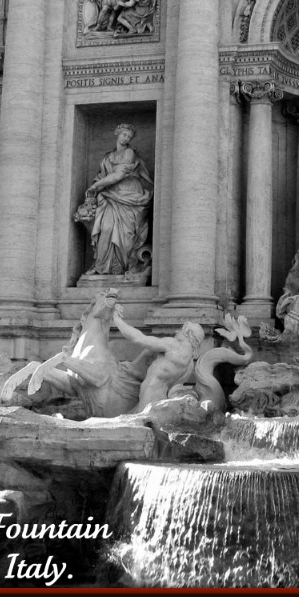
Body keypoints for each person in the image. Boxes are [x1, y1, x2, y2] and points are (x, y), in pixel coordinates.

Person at [83, 123, 154, 276]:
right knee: (106, 229)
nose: (126, 138)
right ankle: (102, 266)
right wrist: (97, 187)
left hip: (129, 195)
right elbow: (102, 176)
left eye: (129, 136)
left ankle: (121, 267)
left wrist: (95, 187)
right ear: (117, 133)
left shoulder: (129, 153)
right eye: (124, 135)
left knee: (126, 234)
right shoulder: (108, 156)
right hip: (110, 196)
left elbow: (118, 175)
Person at [112, 308, 204, 413]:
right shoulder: (189, 364)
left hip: (149, 398)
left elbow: (139, 339)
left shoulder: (174, 346)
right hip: (160, 399)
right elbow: (163, 378)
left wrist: (116, 319)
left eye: (181, 329)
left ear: (187, 333)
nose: (176, 332)